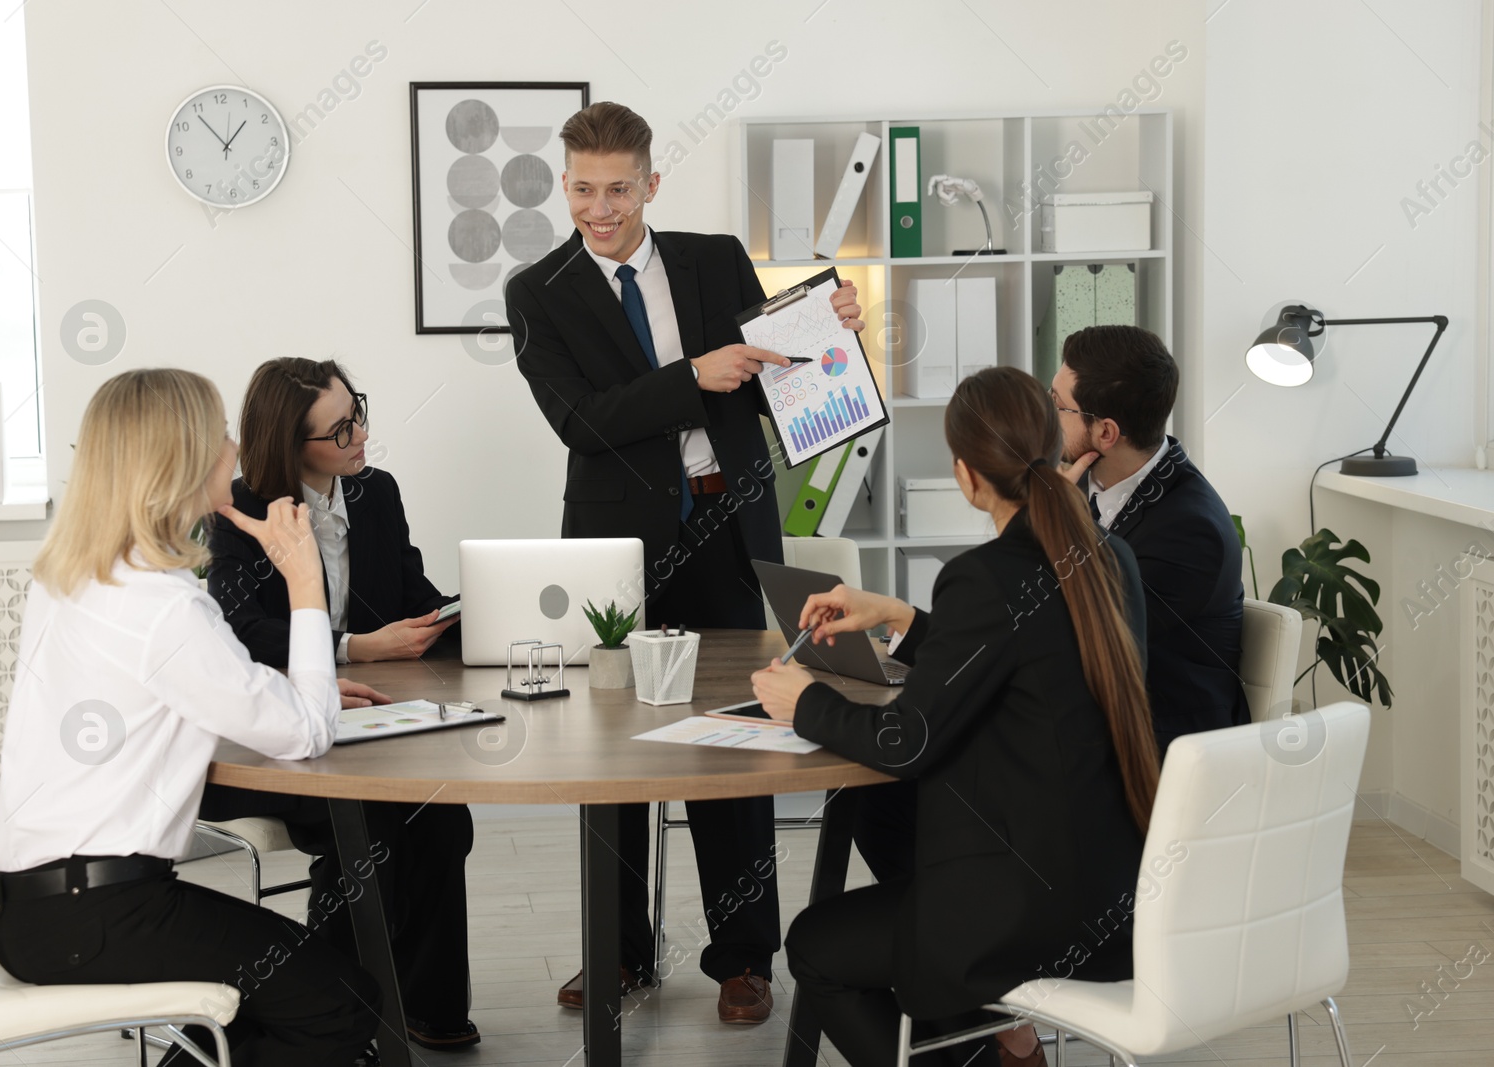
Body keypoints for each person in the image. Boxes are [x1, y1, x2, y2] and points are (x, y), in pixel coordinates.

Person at [505, 100, 864, 1022]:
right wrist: (689, 378)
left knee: (732, 747)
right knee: (614, 756)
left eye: (618, 189)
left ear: (650, 184)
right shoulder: (536, 290)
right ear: (566, 185)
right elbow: (578, 422)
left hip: (725, 528)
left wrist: (833, 332)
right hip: (615, 551)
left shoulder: (712, 260)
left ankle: (744, 959)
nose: (600, 208)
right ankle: (617, 954)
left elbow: (783, 378)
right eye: (583, 189)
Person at [752, 367, 1160, 1067]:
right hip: (1116, 897)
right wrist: (901, 619)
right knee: (894, 831)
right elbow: (1024, 655)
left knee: (815, 946)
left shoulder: (985, 575)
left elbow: (904, 740)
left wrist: (803, 703)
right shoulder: (1109, 554)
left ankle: (982, 1042)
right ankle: (999, 1043)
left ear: (966, 475)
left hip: (1025, 914)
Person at [0, 368, 380, 1067]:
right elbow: (308, 732)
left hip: (28, 906)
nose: (235, 448)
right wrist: (303, 581)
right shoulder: (165, 607)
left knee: (269, 996)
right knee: (340, 1002)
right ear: (187, 458)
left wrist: (268, 685)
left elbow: (182, 695)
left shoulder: (76, 577)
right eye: (222, 434)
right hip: (101, 912)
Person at [204, 357, 479, 1052]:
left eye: (357, 411)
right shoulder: (240, 513)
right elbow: (239, 626)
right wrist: (353, 645)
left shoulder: (375, 492)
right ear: (291, 446)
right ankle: (335, 1015)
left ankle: (429, 1006)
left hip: (366, 716)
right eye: (340, 429)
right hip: (270, 734)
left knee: (443, 817)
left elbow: (411, 592)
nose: (361, 435)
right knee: (372, 825)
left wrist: (461, 618)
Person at [1051, 325, 1248, 755]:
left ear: (1105, 433)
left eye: (1057, 406)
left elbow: (1077, 637)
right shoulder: (1085, 483)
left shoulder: (1192, 530)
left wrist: (1055, 523)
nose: (1045, 417)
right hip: (1095, 724)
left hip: (1163, 752)